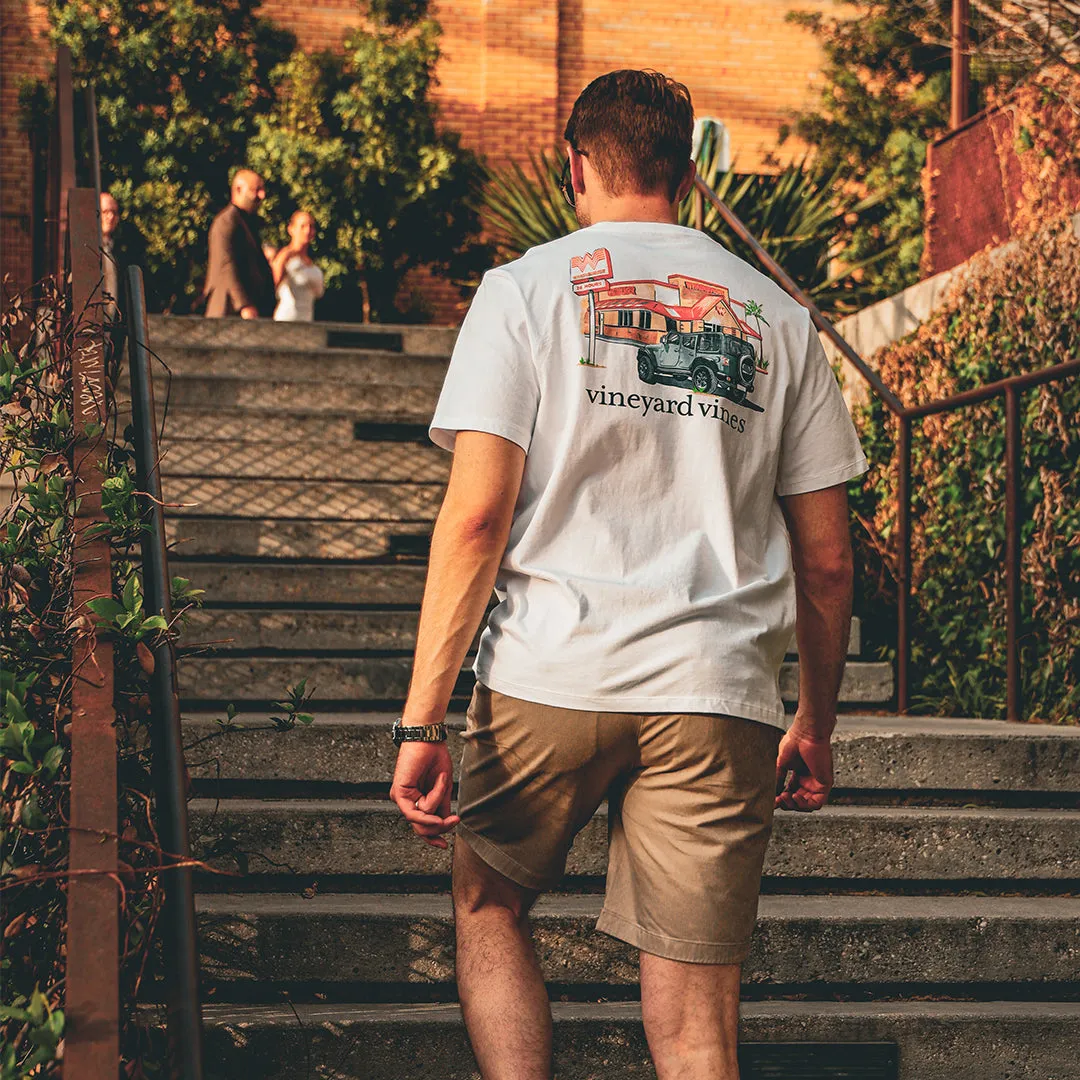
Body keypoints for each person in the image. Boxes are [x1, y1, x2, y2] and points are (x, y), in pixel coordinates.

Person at [389, 68, 868, 1080]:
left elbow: (475, 518)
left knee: (488, 903)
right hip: (718, 688)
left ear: (574, 166)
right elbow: (827, 558)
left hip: (547, 672)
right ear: (689, 174)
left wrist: (423, 719)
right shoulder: (780, 321)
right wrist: (814, 722)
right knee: (695, 1020)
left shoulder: (524, 290)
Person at [201, 169, 275, 319]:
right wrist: (244, 305)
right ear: (238, 189)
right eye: (256, 190)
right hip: (228, 310)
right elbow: (227, 265)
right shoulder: (227, 221)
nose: (262, 196)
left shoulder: (246, 222)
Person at [99, 191, 146, 322]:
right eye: (105, 211)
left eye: (114, 212)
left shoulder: (121, 252)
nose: (111, 217)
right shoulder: (88, 250)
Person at [271, 210, 324, 322]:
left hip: (307, 322)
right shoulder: (285, 257)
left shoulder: (311, 263)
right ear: (291, 229)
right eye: (302, 226)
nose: (307, 231)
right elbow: (272, 284)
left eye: (311, 226)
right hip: (286, 321)